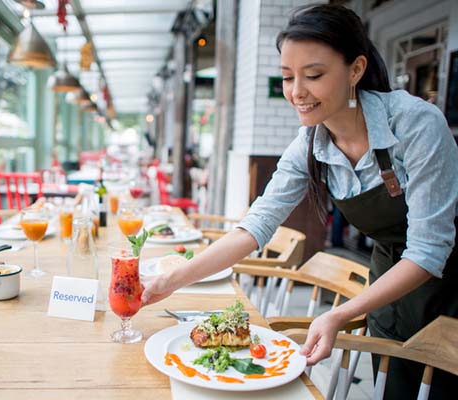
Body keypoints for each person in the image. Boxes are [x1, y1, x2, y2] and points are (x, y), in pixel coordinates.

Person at [140, 4, 458, 399]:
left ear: (355, 70)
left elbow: (429, 251)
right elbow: (255, 225)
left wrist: (339, 313)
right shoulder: (310, 144)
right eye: (288, 77)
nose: (296, 93)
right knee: (393, 385)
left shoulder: (415, 124)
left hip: (449, 284)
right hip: (388, 276)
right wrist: (171, 282)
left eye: (314, 75)